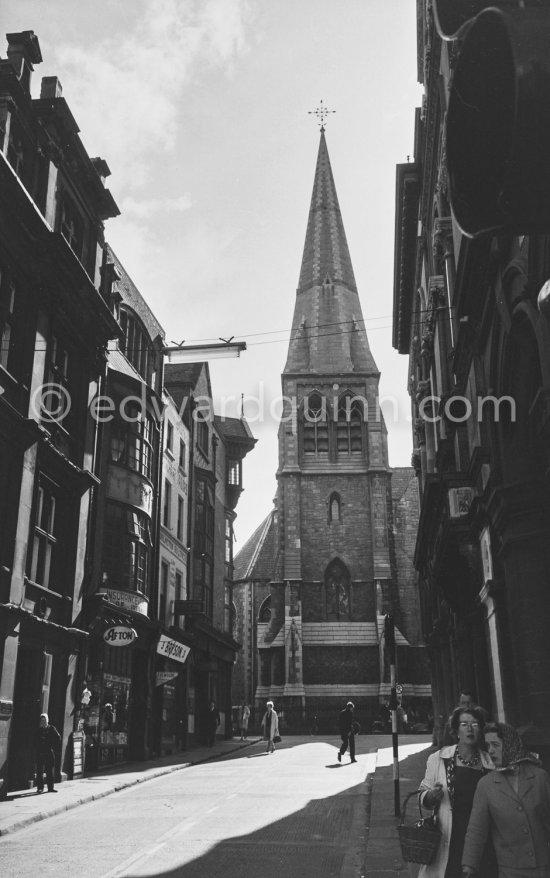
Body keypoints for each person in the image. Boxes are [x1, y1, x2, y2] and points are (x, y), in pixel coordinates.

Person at [416, 705, 495, 878]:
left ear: (481, 730)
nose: (469, 728)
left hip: (480, 837)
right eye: (464, 724)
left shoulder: (489, 763)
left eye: (474, 724)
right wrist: (430, 796)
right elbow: (422, 794)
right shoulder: (439, 759)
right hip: (450, 835)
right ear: (456, 730)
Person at [462, 723, 550, 878]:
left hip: (544, 868)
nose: (490, 750)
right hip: (510, 871)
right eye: (488, 745)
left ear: (510, 744)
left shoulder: (539, 777)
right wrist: (469, 865)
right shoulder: (486, 785)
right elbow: (476, 830)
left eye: (495, 744)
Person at [36, 712, 61, 794]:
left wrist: (51, 744)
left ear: (47, 720)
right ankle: (40, 788)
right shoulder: (39, 730)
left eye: (45, 720)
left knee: (49, 771)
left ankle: (50, 788)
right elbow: (35, 740)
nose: (43, 722)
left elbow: (58, 737)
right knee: (40, 772)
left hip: (48, 752)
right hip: (40, 753)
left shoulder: (51, 728)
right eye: (42, 720)